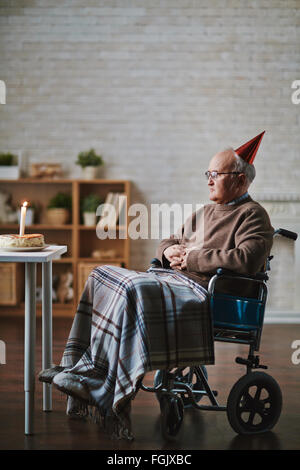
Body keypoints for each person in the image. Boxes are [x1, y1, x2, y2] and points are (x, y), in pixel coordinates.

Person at [39, 131, 273, 439]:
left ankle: (102, 385)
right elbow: (168, 240)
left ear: (240, 180)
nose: (209, 179)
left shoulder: (253, 215)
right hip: (173, 280)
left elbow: (245, 260)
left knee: (133, 289)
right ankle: (83, 369)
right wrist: (169, 251)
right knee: (102, 276)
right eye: (208, 173)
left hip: (205, 292)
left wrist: (191, 257)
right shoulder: (205, 211)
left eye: (216, 174)